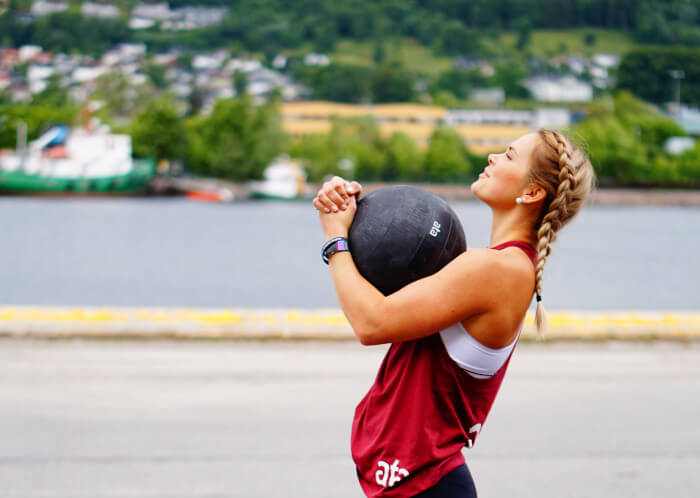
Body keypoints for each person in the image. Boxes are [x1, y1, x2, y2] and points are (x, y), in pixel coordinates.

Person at [312, 129, 595, 497]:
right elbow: (389, 290)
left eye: (509, 156)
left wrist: (336, 238)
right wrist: (360, 216)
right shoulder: (499, 267)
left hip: (427, 485)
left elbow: (372, 322)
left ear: (531, 193)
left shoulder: (496, 270)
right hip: (417, 482)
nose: (493, 157)